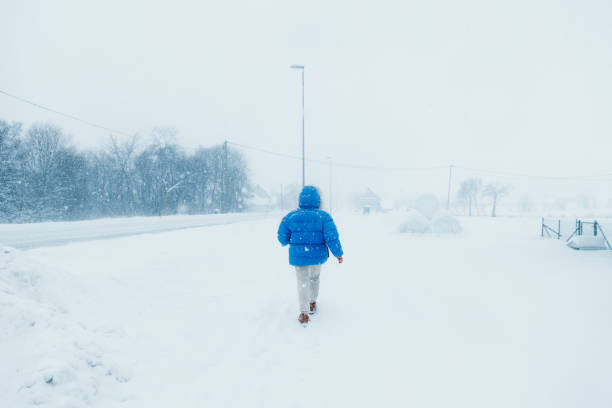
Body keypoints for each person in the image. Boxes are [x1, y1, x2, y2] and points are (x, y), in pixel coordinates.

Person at [277, 186, 344, 325]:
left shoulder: (291, 216)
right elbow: (331, 237)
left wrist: (282, 224)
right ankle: (312, 302)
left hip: (299, 257)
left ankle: (304, 313)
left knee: (302, 283)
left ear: (300, 199)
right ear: (317, 200)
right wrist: (338, 253)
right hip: (317, 256)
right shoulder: (324, 216)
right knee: (314, 278)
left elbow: (282, 240)